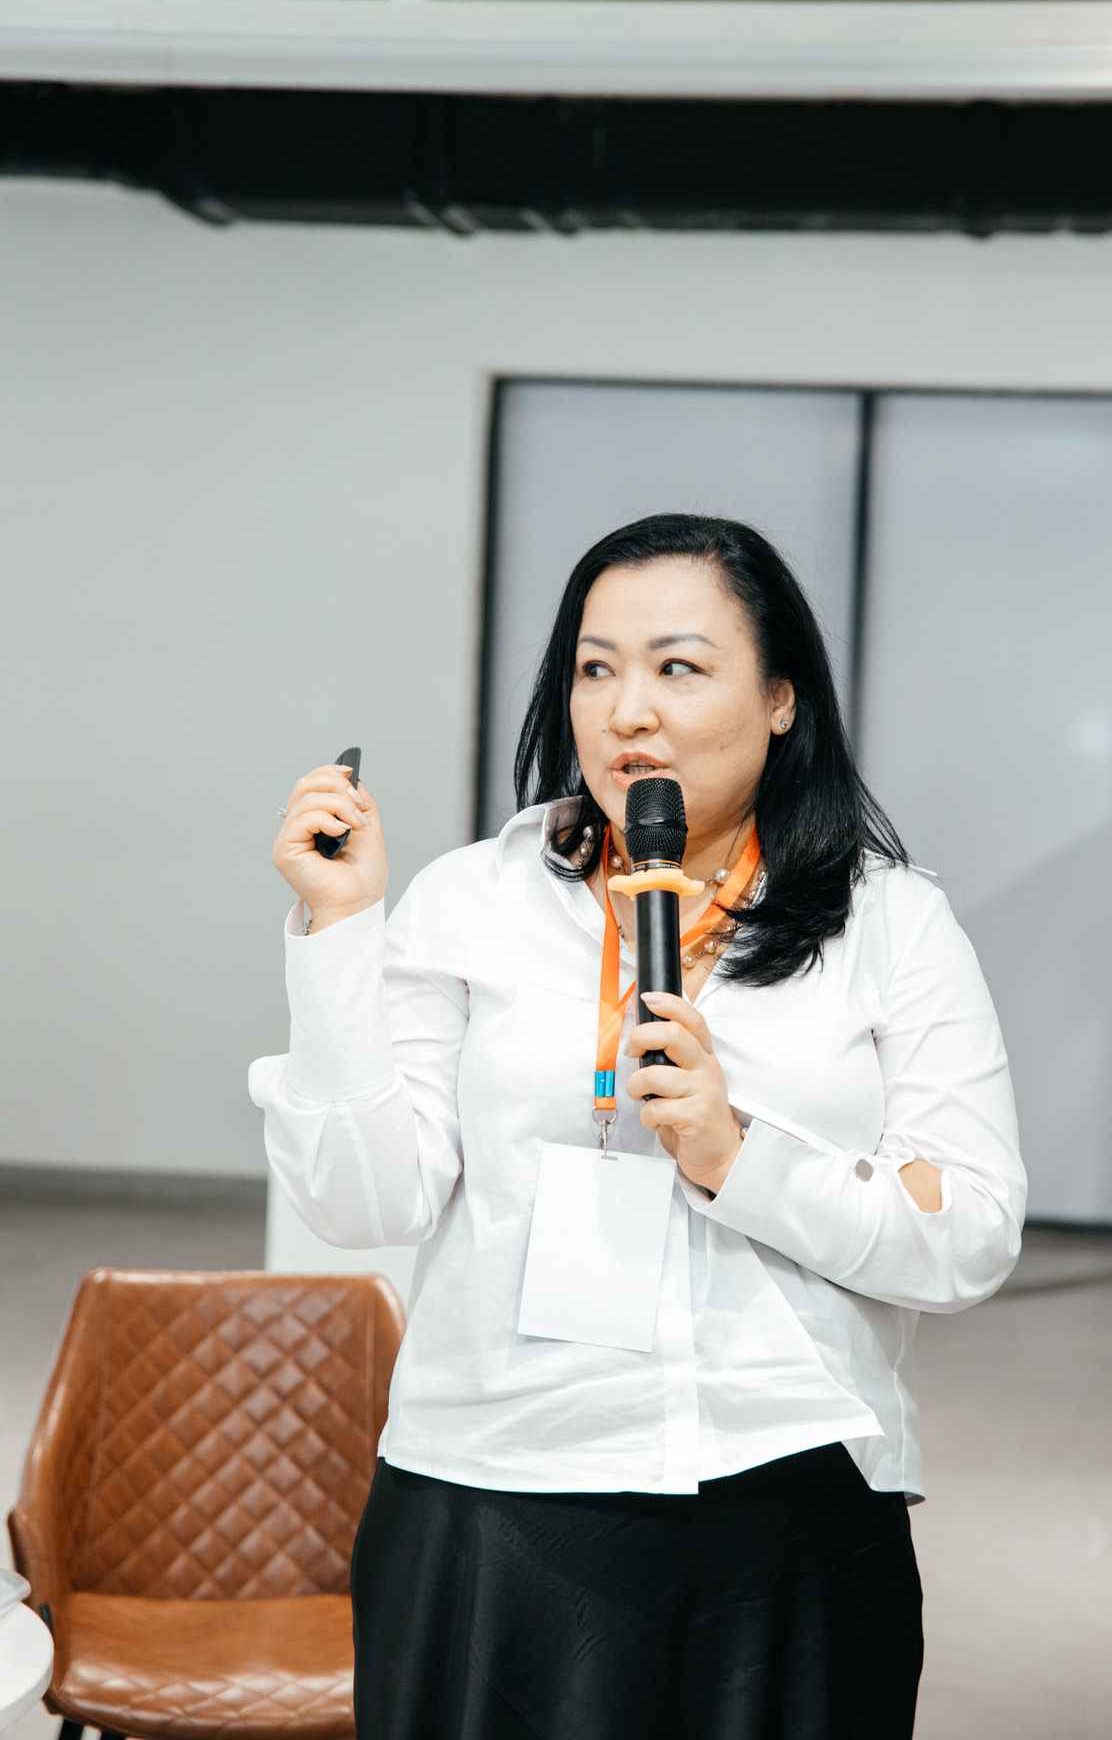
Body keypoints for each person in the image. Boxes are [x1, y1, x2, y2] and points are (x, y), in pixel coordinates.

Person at [250, 512, 1025, 1740]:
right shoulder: (472, 900)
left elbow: (969, 1234)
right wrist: (339, 935)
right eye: (594, 668)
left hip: (787, 1491)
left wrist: (738, 1158)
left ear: (780, 698)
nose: (626, 712)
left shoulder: (888, 924)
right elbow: (363, 1202)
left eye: (678, 667)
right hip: (496, 1488)